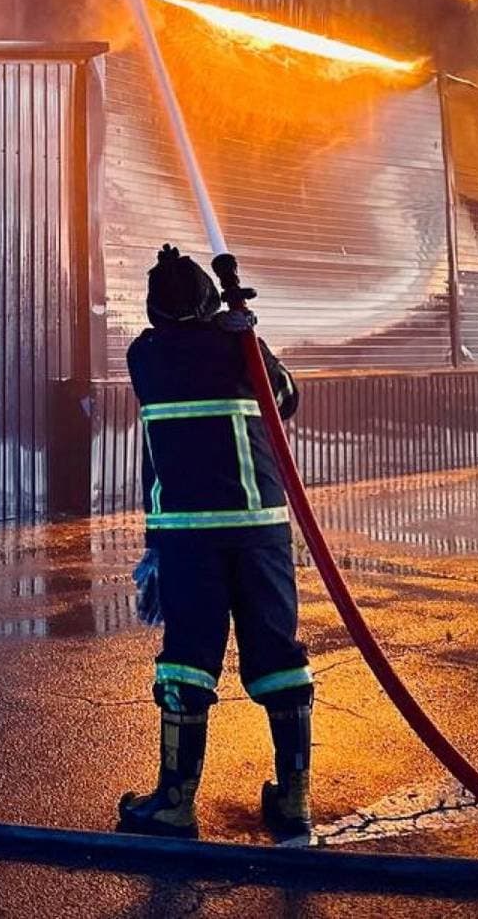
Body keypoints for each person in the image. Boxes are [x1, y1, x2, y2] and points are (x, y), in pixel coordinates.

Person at [116, 244, 314, 843]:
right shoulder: (240, 351)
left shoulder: (146, 358)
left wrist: (233, 331)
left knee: (188, 658)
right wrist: (249, 335)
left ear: (154, 310)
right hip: (259, 530)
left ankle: (175, 803)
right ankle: (294, 800)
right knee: (278, 655)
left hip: (187, 536)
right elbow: (286, 399)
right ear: (210, 303)